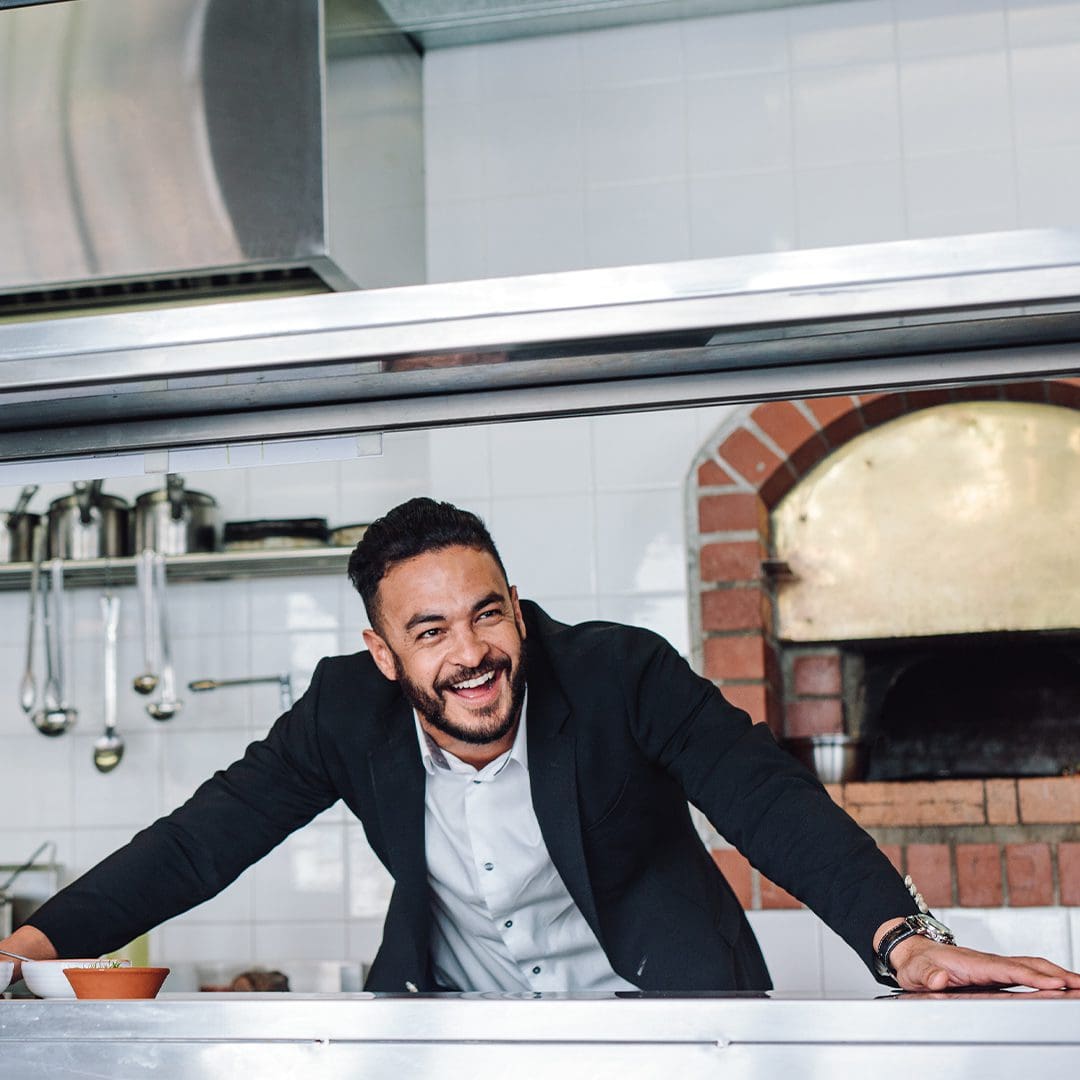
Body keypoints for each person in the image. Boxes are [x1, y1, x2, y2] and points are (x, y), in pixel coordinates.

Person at [3, 498, 1078, 994]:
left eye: (486, 615)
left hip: (660, 1024)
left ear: (516, 607)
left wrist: (906, 940)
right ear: (383, 654)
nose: (471, 655)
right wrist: (31, 951)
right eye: (430, 633)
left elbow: (763, 798)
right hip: (457, 1038)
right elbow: (201, 842)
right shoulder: (341, 711)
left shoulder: (619, 672)